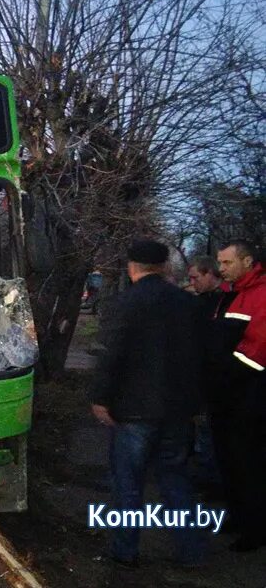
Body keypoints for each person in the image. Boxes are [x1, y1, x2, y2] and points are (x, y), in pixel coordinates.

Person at [90, 239, 206, 568]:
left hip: (133, 411)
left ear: (132, 267)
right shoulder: (188, 303)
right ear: (165, 266)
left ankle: (125, 551)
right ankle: (191, 552)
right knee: (176, 480)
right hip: (177, 410)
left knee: (128, 484)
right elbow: (201, 357)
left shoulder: (124, 303)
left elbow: (110, 355)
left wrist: (100, 398)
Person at [210, 238, 265, 552]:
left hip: (248, 393)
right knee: (230, 458)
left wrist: (225, 372)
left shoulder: (258, 294)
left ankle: (254, 528)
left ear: (247, 261)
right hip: (230, 392)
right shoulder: (233, 294)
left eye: (227, 262)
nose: (222, 268)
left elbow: (257, 349)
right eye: (220, 262)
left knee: (247, 460)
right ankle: (240, 516)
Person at [186, 256, 232, 493]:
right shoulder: (211, 300)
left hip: (213, 376)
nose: (192, 283)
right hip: (206, 374)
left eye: (195, 277)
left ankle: (210, 478)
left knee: (208, 430)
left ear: (210, 274)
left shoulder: (220, 301)